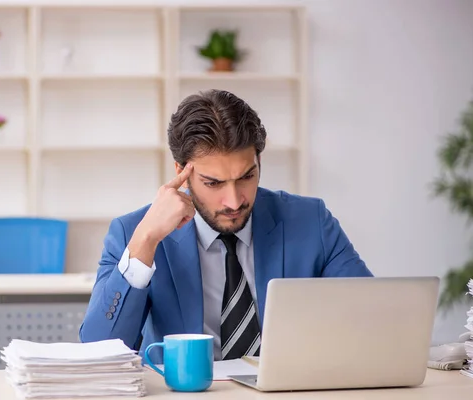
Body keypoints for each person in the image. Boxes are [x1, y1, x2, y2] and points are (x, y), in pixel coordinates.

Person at [79, 89, 373, 363]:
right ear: (182, 172)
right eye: (214, 183)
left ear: (259, 161)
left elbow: (373, 318)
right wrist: (145, 241)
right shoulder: (135, 233)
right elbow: (98, 350)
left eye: (246, 177)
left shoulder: (311, 222)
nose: (233, 201)